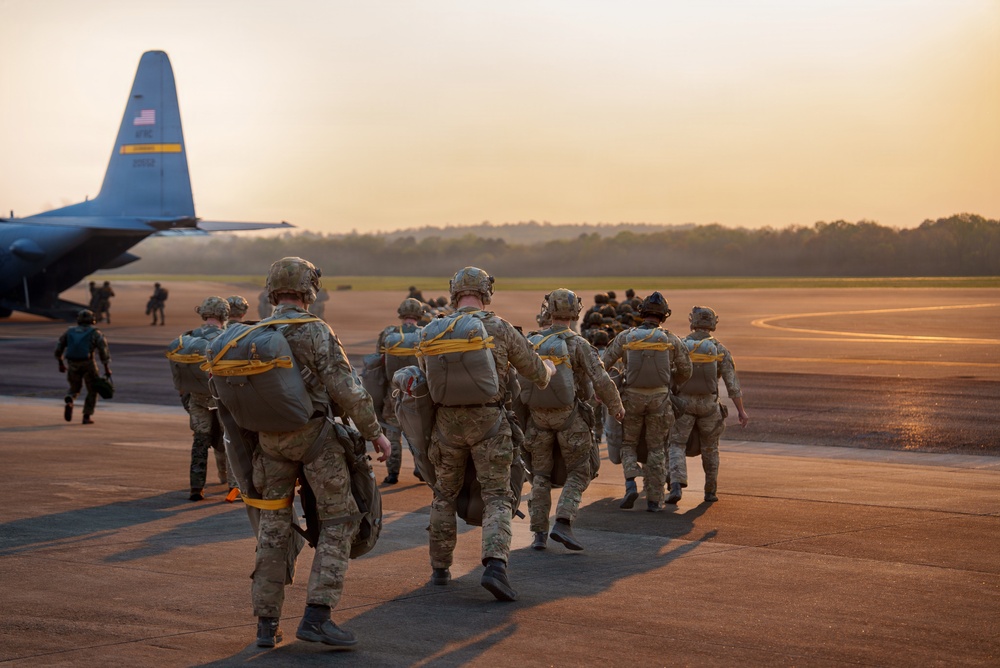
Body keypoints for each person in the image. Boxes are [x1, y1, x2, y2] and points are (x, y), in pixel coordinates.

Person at [250, 257, 390, 648]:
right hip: (314, 440)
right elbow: (347, 388)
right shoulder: (316, 331)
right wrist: (376, 434)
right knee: (340, 520)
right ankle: (317, 614)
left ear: (273, 289)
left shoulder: (251, 334)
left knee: (273, 530)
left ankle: (265, 623)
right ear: (308, 289)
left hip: (268, 445)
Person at [420, 266, 555, 602]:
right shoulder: (500, 327)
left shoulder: (433, 331)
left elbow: (426, 378)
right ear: (486, 293)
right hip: (489, 423)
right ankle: (495, 564)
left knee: (444, 495)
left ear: (454, 293)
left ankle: (440, 569)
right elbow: (537, 374)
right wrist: (549, 369)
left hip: (446, 425)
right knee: (497, 496)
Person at [523, 288, 623, 552]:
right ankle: (564, 520)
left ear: (549, 310)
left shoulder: (531, 341)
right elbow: (601, 379)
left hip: (537, 420)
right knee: (581, 470)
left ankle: (538, 534)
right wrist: (616, 407)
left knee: (540, 476)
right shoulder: (578, 344)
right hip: (571, 419)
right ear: (575, 312)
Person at [602, 291, 691, 512]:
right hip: (660, 400)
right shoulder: (671, 339)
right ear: (664, 315)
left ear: (642, 313)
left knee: (628, 444)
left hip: (631, 398)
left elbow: (603, 363)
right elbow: (686, 370)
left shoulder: (626, 337)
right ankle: (654, 499)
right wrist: (672, 384)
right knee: (657, 448)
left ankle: (631, 482)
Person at [666, 307, 749, 504]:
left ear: (692, 322)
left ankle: (676, 484)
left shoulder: (681, 346)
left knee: (676, 443)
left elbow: (669, 375)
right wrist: (741, 410)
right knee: (710, 447)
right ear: (712, 323)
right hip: (709, 406)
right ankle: (710, 491)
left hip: (683, 404)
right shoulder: (719, 349)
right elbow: (732, 384)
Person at [180, 297, 232, 501]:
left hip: (197, 398)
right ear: (224, 314)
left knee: (200, 442)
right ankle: (234, 487)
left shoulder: (189, 337)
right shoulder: (227, 336)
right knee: (230, 441)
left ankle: (196, 487)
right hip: (222, 398)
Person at [375, 297, 424, 484]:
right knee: (418, 434)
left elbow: (379, 362)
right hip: (417, 394)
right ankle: (421, 469)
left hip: (393, 393)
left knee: (392, 434)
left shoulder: (388, 334)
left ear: (401, 314)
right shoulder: (424, 334)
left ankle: (392, 474)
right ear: (419, 315)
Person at [55, 309, 111, 425]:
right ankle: (86, 416)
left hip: (72, 364)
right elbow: (103, 350)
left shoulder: (69, 331)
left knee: (74, 388)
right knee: (92, 390)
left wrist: (60, 363)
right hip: (88, 364)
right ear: (92, 320)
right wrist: (106, 368)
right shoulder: (95, 333)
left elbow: (59, 347)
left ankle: (70, 400)